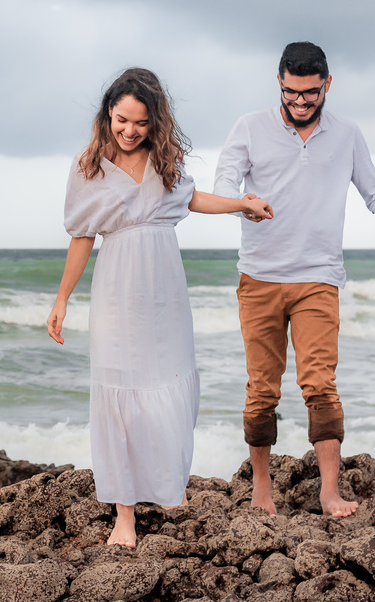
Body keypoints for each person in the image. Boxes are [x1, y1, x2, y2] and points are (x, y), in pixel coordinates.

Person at [47, 67, 273, 548]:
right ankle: (124, 516)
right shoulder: (88, 166)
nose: (129, 131)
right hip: (118, 288)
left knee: (170, 382)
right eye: (121, 119)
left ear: (155, 123)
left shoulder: (164, 159)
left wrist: (241, 204)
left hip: (165, 287)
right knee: (121, 391)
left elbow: (192, 200)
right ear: (107, 113)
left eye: (140, 123)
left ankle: (168, 486)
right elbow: (81, 237)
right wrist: (62, 299)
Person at [213, 41, 375, 518]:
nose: (300, 103)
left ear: (327, 85)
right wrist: (243, 200)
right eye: (291, 93)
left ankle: (330, 493)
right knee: (262, 387)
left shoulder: (346, 133)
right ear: (280, 84)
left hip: (318, 278)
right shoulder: (249, 127)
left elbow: (374, 191)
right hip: (259, 277)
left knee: (320, 384)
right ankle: (260, 489)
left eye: (310, 94)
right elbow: (224, 182)